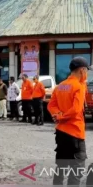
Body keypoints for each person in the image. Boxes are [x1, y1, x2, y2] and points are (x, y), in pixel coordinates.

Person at [48, 57, 90, 186]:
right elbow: (76, 109)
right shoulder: (78, 86)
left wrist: (58, 115)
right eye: (86, 70)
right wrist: (63, 116)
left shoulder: (60, 86)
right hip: (75, 133)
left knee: (61, 166)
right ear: (82, 70)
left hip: (61, 132)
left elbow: (51, 105)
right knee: (77, 169)